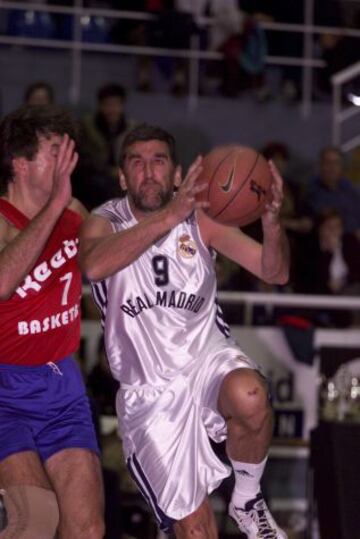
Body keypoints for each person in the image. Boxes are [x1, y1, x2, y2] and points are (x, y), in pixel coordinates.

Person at [79, 123, 289, 538]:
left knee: (249, 395)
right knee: (195, 530)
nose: (148, 171)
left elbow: (275, 271)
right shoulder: (103, 221)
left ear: (177, 175)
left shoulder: (201, 220)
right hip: (150, 392)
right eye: (136, 163)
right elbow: (93, 266)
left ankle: (247, 500)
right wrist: (168, 218)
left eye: (158, 161)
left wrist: (270, 223)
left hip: (205, 360)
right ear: (122, 178)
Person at [0, 105, 105, 539]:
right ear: (21, 164)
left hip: (61, 382)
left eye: (69, 151)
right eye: (54, 152)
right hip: (5, 389)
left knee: (87, 528)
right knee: (35, 520)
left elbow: (107, 263)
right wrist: (57, 205)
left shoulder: (75, 209)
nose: (68, 162)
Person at [73, 83, 136, 210]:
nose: (112, 109)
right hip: (93, 179)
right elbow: (84, 158)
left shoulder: (131, 129)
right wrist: (107, 171)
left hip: (121, 178)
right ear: (100, 106)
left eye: (116, 105)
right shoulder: (86, 127)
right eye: (108, 105)